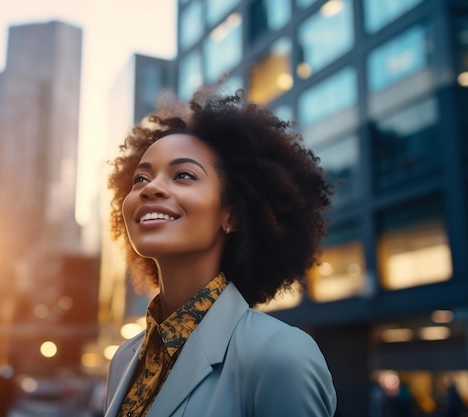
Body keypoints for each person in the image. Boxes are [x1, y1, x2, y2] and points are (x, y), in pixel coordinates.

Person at [103, 82, 337, 417]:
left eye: (183, 175)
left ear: (231, 214)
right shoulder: (124, 359)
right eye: (140, 178)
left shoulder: (281, 356)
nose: (151, 188)